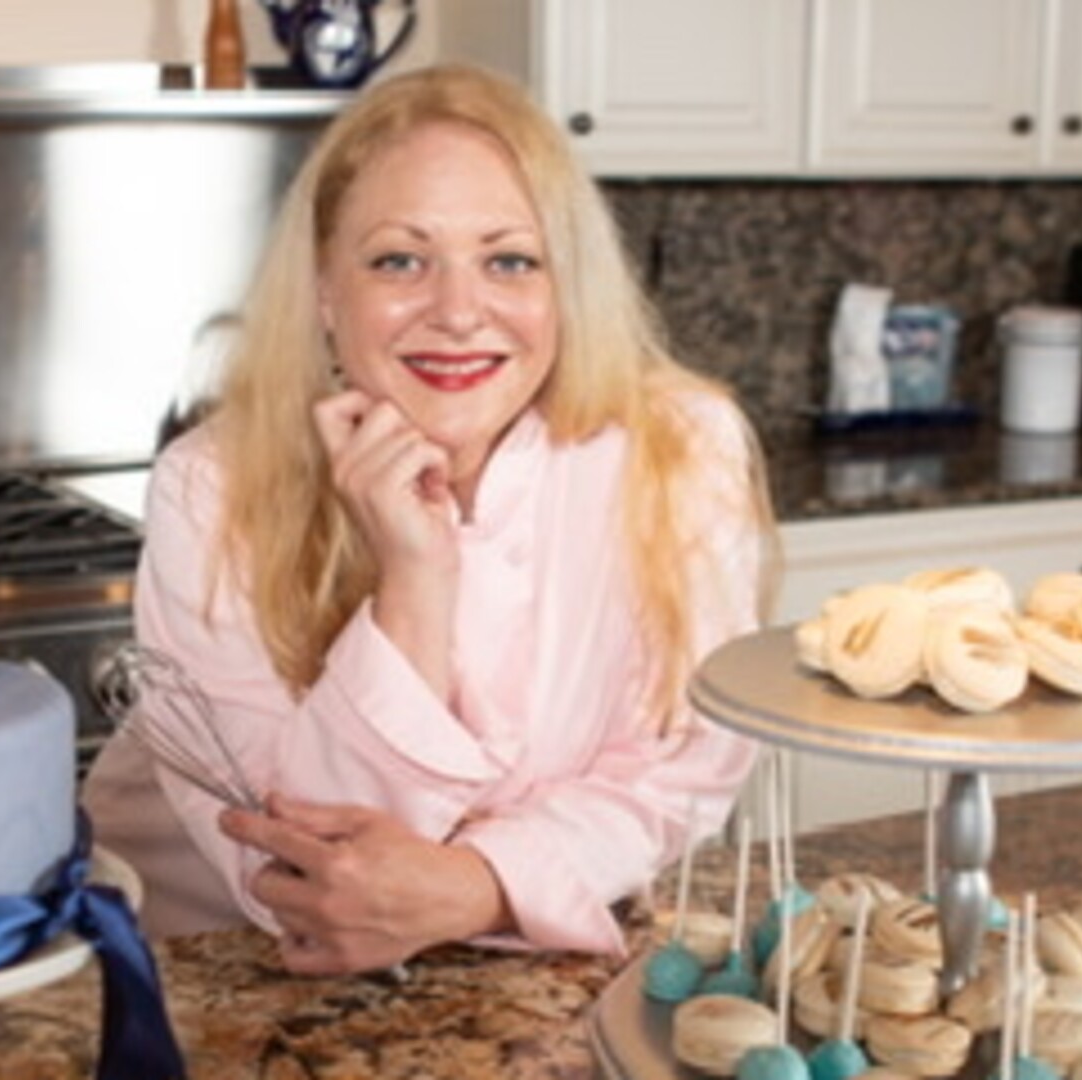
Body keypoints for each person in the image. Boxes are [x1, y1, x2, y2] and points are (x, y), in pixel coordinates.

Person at [81, 62, 776, 976]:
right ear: (326, 291)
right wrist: (415, 577)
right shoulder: (212, 486)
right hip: (224, 972)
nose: (457, 312)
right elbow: (298, 874)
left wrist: (477, 885)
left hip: (517, 971)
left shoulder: (679, 449)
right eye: (399, 261)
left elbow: (679, 768)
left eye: (510, 260)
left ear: (565, 284)